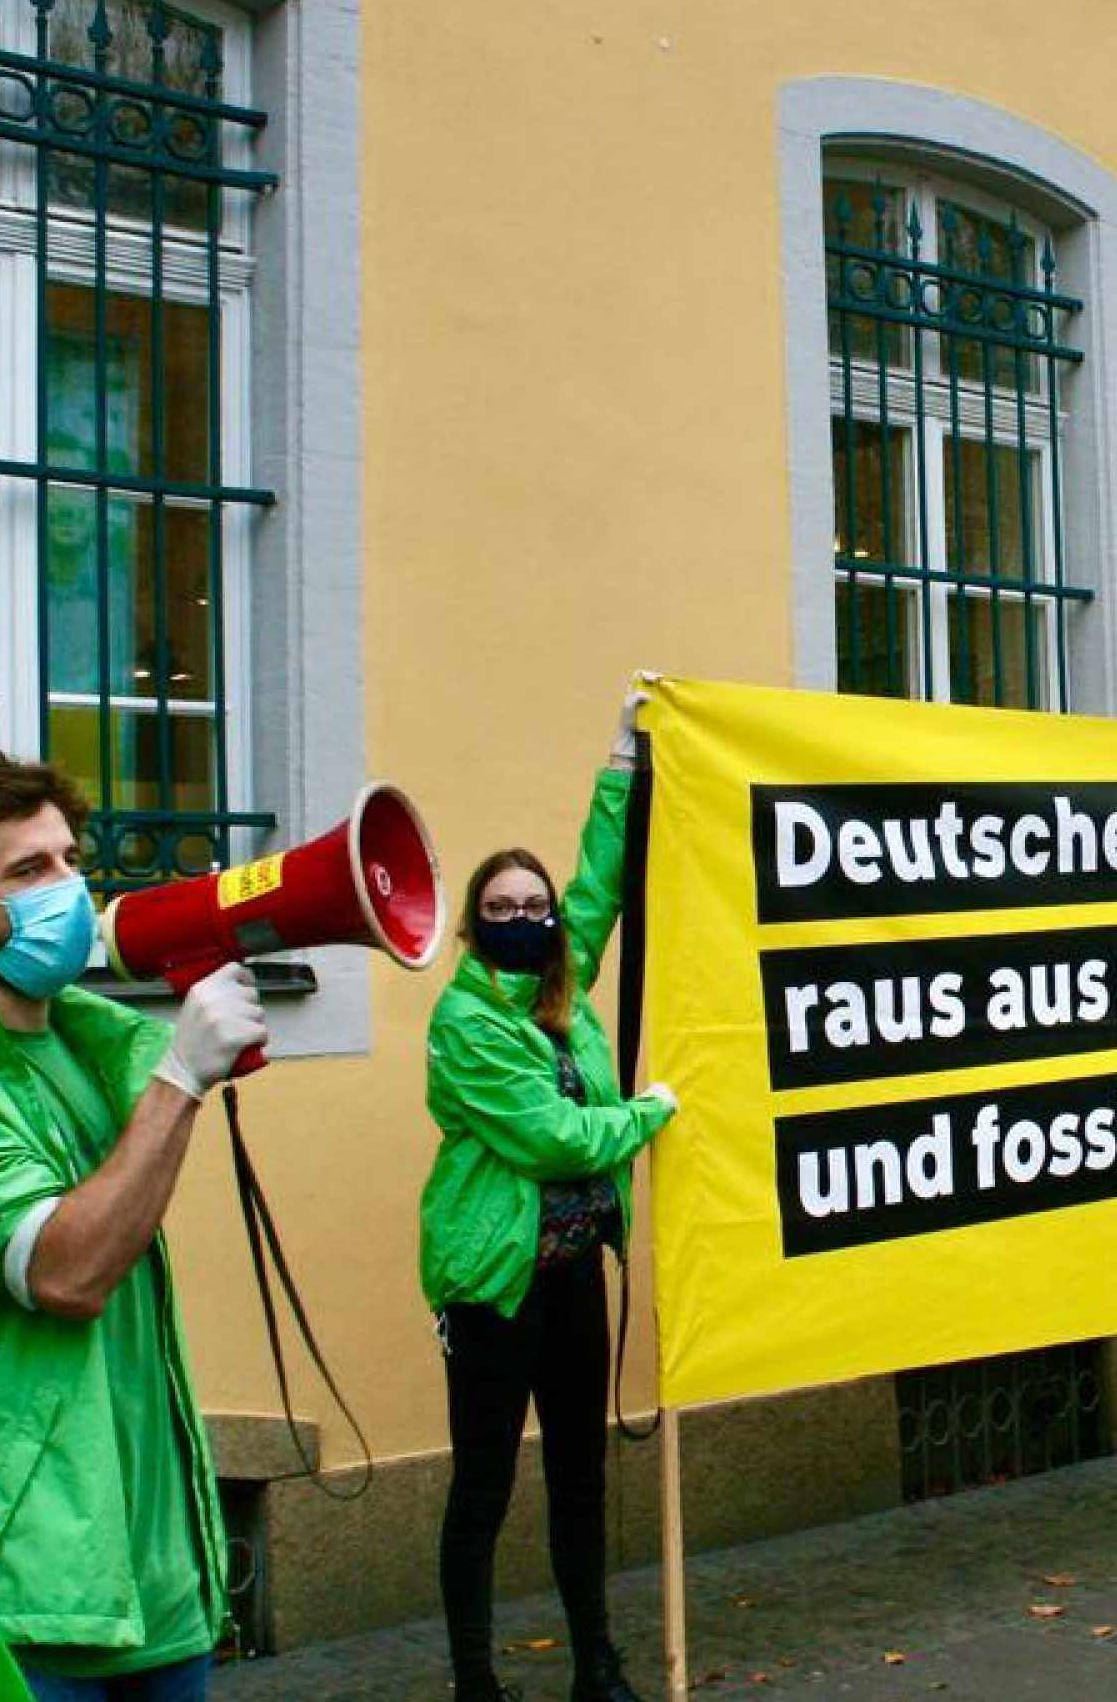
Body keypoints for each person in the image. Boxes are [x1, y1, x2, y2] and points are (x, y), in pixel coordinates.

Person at [0, 754, 268, 1699]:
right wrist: (180, 1081)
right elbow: (66, 1274)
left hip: (159, 1572)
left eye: (72, 860)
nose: (70, 889)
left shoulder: (87, 1045)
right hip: (25, 1582)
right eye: (29, 870)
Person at [428, 693, 680, 1702]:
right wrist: (648, 1113)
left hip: (572, 1274)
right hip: (493, 1286)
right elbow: (551, 1138)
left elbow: (598, 887)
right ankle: (475, 1683)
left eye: (533, 907)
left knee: (582, 1477)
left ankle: (596, 1665)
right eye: (501, 910)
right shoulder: (465, 1022)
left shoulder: (560, 990)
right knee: (483, 1487)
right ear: (473, 925)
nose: (524, 920)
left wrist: (622, 762)